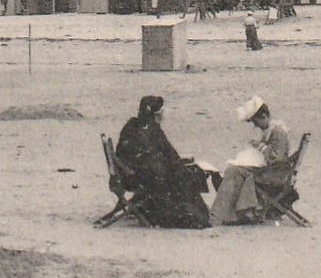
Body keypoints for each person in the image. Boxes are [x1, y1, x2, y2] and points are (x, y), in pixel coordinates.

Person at [113, 95, 211, 229]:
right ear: (157, 115)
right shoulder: (153, 131)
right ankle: (191, 215)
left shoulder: (132, 126)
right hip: (140, 179)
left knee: (180, 173)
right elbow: (168, 155)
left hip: (126, 175)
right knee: (186, 176)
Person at [208, 96, 292, 226]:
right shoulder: (272, 130)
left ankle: (218, 215)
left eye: (256, 121)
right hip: (271, 172)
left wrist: (260, 146)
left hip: (273, 176)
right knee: (235, 170)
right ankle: (225, 213)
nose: (255, 125)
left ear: (263, 116)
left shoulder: (278, 132)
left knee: (234, 172)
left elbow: (277, 158)